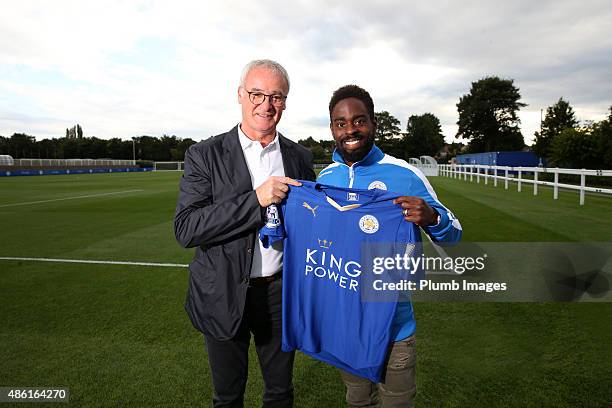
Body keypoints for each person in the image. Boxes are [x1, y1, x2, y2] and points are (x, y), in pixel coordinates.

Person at [174, 59, 315, 408]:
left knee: (280, 394)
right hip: (223, 292)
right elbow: (187, 227)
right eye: (257, 94)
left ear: (285, 102)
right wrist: (256, 201)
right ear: (240, 95)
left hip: (280, 294)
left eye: (276, 97)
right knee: (227, 397)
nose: (266, 105)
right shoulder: (204, 154)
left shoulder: (299, 156)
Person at [317, 84, 462, 408]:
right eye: (341, 123)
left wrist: (431, 217)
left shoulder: (405, 174)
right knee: (357, 402)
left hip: (395, 329)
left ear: (373, 123)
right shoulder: (325, 178)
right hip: (346, 328)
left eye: (359, 120)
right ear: (332, 129)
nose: (350, 129)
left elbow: (454, 233)